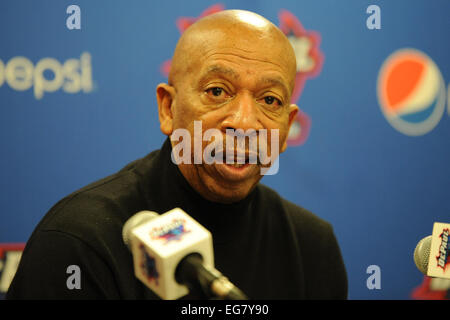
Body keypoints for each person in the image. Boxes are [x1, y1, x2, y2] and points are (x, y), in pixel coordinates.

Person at [6, 10, 347, 299]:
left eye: (269, 100)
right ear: (168, 108)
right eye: (217, 91)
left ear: (286, 127)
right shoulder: (81, 242)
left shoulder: (311, 247)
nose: (244, 123)